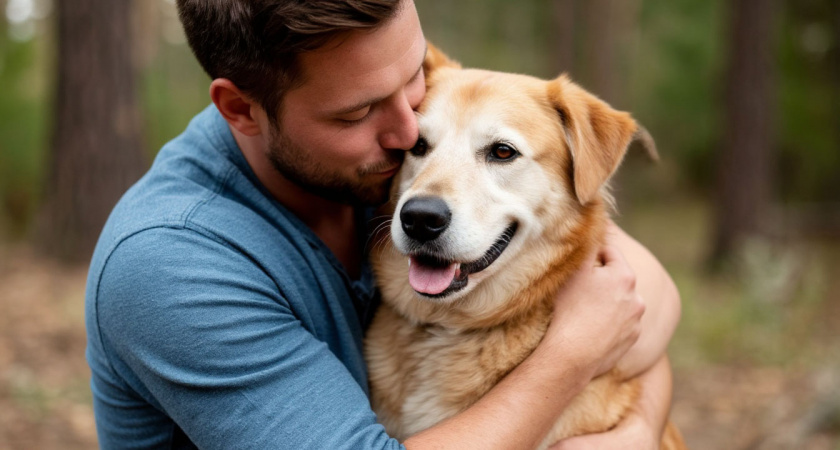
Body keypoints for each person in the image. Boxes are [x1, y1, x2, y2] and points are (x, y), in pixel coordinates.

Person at [84, 0, 681, 448]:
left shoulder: (374, 165)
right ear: (242, 109)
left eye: (412, 82)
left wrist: (643, 422)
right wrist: (571, 357)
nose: (405, 137)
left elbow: (633, 295)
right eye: (360, 112)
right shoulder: (167, 264)